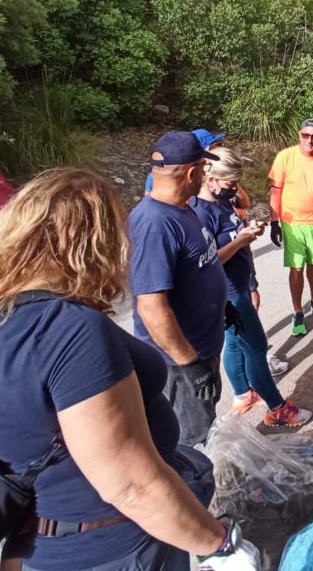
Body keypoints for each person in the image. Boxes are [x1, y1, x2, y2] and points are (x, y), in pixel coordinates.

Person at [0, 168, 260, 571]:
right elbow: (131, 485)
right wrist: (218, 545)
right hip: (112, 544)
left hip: (37, 543)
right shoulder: (68, 330)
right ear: (94, 241)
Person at [192, 147, 312, 427]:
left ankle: (244, 394)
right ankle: (278, 409)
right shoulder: (200, 214)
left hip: (240, 283)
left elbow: (235, 230)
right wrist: (240, 241)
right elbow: (208, 261)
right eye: (229, 182)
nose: (234, 188)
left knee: (235, 343)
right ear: (209, 176)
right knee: (256, 348)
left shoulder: (222, 201)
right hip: (229, 291)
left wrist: (248, 235)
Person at [129, 131, 227, 447]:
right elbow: (150, 306)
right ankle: (202, 497)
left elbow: (198, 267)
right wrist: (189, 365)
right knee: (194, 445)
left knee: (207, 430)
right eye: (204, 167)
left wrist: (223, 306)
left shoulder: (182, 209)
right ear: (190, 172)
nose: (206, 174)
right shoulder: (154, 224)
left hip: (202, 347)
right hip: (180, 365)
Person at [268, 119, 313, 337]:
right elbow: (275, 191)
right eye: (306, 135)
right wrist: (274, 222)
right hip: (292, 223)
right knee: (296, 267)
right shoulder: (285, 157)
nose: (310, 140)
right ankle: (297, 311)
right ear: (299, 135)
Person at [145, 128, 225, 195]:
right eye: (218, 144)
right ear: (207, 149)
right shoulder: (204, 177)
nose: (221, 148)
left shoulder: (156, 174)